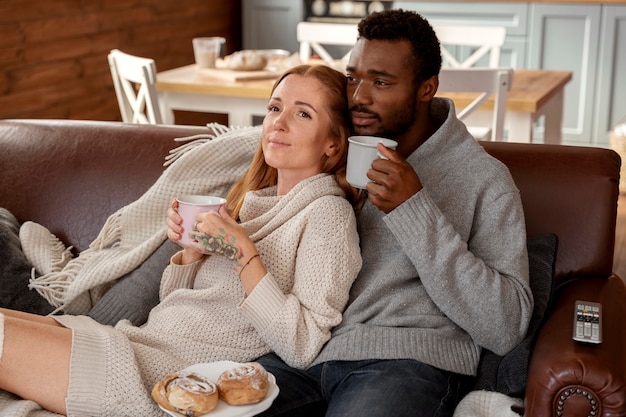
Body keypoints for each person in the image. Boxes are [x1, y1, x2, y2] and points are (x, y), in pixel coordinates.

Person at [0, 64, 363, 416]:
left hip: (167, 377)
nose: (278, 123)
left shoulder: (327, 215)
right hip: (139, 343)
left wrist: (244, 255)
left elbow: (303, 344)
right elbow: (178, 307)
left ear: (333, 143)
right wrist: (190, 254)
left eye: (302, 114)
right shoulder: (250, 205)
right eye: (274, 108)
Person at [255, 9, 534, 417]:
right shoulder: (337, 145)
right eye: (353, 77)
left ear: (426, 89)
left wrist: (414, 208)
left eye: (381, 82)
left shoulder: (483, 179)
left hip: (405, 361)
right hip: (306, 351)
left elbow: (506, 324)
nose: (358, 97)